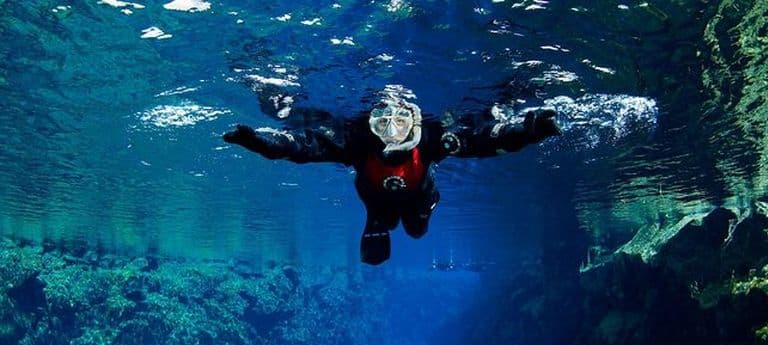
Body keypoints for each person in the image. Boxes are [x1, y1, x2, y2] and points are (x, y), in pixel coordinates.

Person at [223, 94, 561, 265]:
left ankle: (412, 216)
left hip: (419, 198)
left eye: (400, 122)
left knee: (416, 229)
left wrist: (528, 130)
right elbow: (303, 147)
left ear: (415, 121)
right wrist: (261, 142)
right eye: (382, 122)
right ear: (370, 123)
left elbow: (485, 140)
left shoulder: (432, 139)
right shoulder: (357, 142)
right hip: (376, 205)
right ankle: (383, 223)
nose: (391, 132)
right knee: (376, 246)